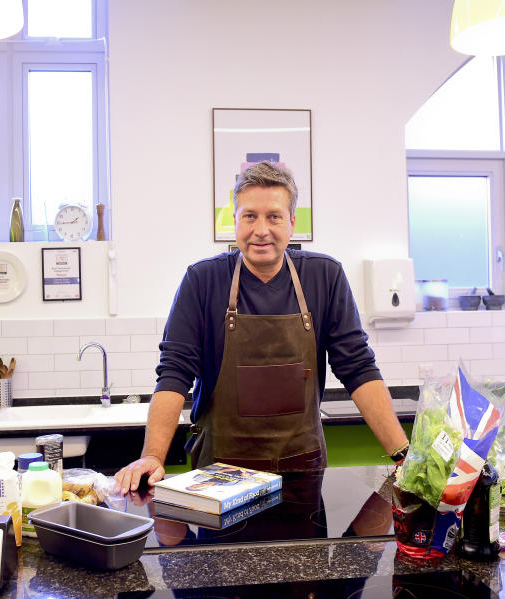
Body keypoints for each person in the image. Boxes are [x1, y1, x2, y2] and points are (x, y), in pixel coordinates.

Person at [114, 161, 408, 492]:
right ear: (235, 221)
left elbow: (357, 367)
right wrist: (152, 456)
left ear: (292, 223)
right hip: (218, 477)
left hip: (304, 472)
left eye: (274, 216)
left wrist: (403, 454)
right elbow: (174, 373)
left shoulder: (324, 276)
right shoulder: (203, 280)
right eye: (249, 216)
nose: (261, 229)